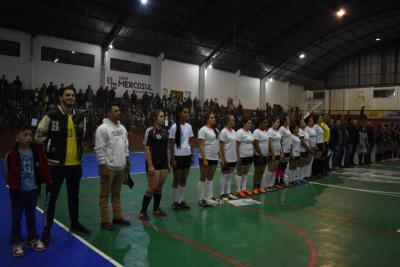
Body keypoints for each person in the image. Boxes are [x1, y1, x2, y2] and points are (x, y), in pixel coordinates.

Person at [35, 86, 90, 246]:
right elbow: (38, 137)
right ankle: (46, 230)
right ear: (61, 98)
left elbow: (83, 135)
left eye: (72, 95)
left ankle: (75, 224)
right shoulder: (51, 115)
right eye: (67, 95)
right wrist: (51, 147)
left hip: (75, 164)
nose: (71, 97)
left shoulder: (81, 116)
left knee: (74, 197)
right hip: (56, 165)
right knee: (51, 199)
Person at [4, 127, 51, 257]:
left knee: (31, 216)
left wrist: (45, 181)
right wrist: (13, 186)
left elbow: (42, 167)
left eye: (30, 135)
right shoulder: (11, 154)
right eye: (24, 135)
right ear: (17, 137)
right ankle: (17, 242)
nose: (28, 138)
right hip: (18, 192)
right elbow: (6, 172)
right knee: (16, 217)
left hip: (32, 190)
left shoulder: (35, 152)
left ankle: (32, 238)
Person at [94, 104, 131, 230]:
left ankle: (117, 217)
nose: (118, 112)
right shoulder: (102, 129)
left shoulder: (122, 128)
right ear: (108, 113)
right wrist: (102, 165)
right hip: (108, 167)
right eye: (115, 111)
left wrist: (127, 161)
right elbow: (99, 148)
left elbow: (126, 145)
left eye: (119, 110)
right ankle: (105, 221)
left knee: (116, 193)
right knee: (105, 195)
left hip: (120, 167)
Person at [139, 110, 169, 220]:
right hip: (154, 164)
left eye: (163, 116)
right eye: (161, 116)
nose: (163, 118)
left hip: (164, 164)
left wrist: (168, 162)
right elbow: (146, 149)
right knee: (152, 188)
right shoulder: (150, 131)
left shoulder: (165, 132)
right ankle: (142, 212)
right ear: (155, 118)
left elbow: (166, 149)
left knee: (159, 188)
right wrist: (150, 165)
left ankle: (156, 209)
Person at [169, 105, 194, 210]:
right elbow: (171, 143)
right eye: (184, 112)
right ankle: (175, 202)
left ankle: (181, 201)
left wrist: (192, 155)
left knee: (184, 179)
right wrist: (172, 158)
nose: (187, 114)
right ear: (179, 113)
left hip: (187, 155)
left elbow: (191, 141)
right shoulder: (174, 127)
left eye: (187, 112)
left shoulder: (189, 126)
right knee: (177, 179)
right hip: (178, 156)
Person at [198, 112, 220, 207]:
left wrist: (220, 157)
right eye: (212, 117)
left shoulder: (216, 130)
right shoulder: (203, 130)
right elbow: (201, 145)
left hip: (214, 157)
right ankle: (201, 199)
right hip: (205, 157)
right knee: (203, 178)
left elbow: (217, 144)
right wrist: (204, 159)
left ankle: (209, 197)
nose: (214, 119)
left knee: (210, 178)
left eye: (214, 117)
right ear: (207, 120)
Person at [219, 114, 239, 201]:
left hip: (233, 157)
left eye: (234, 120)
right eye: (232, 120)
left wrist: (237, 157)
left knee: (230, 175)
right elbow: (220, 146)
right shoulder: (223, 132)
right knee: (224, 175)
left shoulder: (234, 131)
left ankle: (228, 192)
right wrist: (223, 159)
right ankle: (222, 194)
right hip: (226, 157)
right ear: (227, 121)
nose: (234, 121)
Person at [235, 117, 254, 197]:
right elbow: (237, 145)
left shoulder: (250, 132)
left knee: (245, 173)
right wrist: (238, 157)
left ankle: (244, 188)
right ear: (244, 124)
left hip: (249, 155)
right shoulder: (240, 132)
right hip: (242, 155)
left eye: (251, 123)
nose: (250, 124)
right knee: (240, 172)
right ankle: (238, 190)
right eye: (249, 123)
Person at [252, 117, 269, 194]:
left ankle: (259, 186)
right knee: (257, 172)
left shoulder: (265, 131)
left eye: (267, 122)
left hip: (265, 155)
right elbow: (255, 143)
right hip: (258, 155)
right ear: (260, 123)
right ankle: (254, 187)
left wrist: (267, 153)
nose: (266, 124)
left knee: (262, 172)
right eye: (265, 122)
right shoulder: (256, 132)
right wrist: (261, 154)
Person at [264, 117, 282, 192]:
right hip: (272, 153)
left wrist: (281, 152)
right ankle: (267, 185)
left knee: (274, 170)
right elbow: (270, 142)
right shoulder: (270, 131)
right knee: (270, 169)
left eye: (279, 122)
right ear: (272, 123)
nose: (278, 124)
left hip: (278, 152)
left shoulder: (277, 131)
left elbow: (279, 143)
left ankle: (272, 185)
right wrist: (273, 153)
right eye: (277, 122)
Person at [277, 116, 291, 187]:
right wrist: (281, 151)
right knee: (280, 166)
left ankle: (281, 180)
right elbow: (280, 140)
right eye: (288, 119)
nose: (289, 120)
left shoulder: (288, 128)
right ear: (284, 121)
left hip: (288, 150)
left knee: (284, 166)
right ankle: (277, 181)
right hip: (283, 150)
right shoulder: (281, 129)